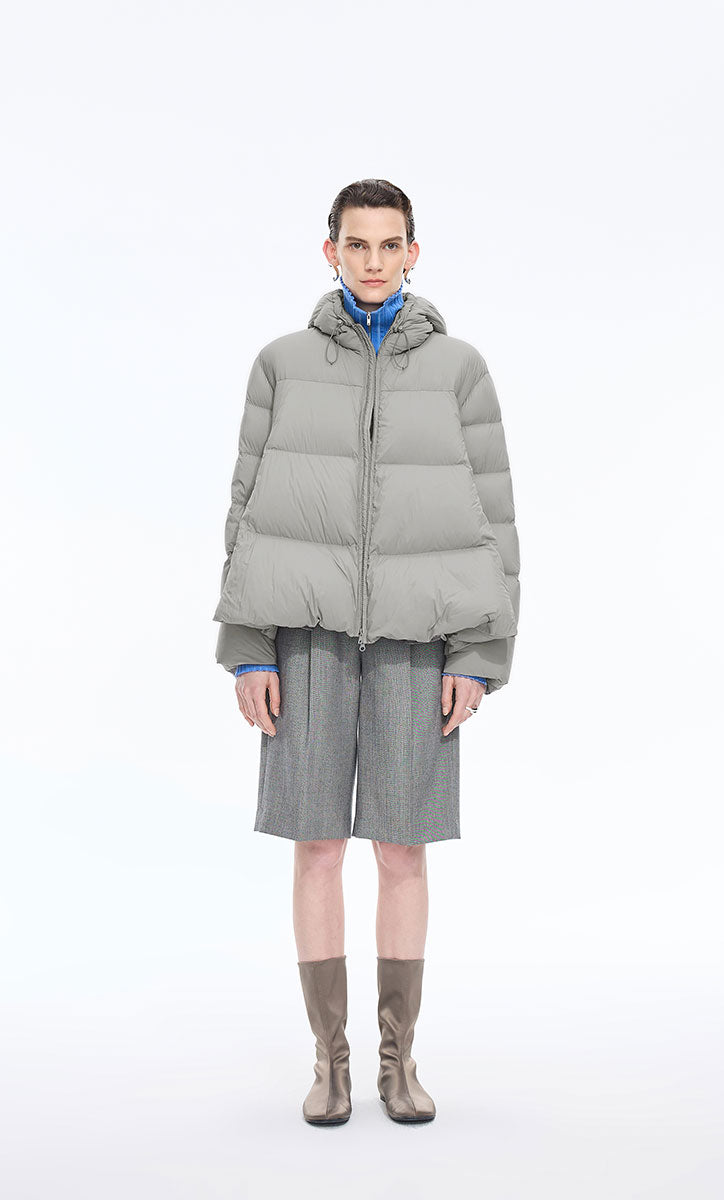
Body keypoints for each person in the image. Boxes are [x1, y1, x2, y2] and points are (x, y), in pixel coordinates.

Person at [212, 178, 521, 1125]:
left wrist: (477, 653)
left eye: (390, 245)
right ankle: (330, 1063)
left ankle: (398, 1061)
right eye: (357, 244)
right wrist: (248, 647)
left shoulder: (460, 370)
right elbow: (245, 512)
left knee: (401, 849)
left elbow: (494, 516)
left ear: (412, 253)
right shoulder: (281, 364)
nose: (374, 261)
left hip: (417, 643)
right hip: (303, 637)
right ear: (331, 252)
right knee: (314, 845)